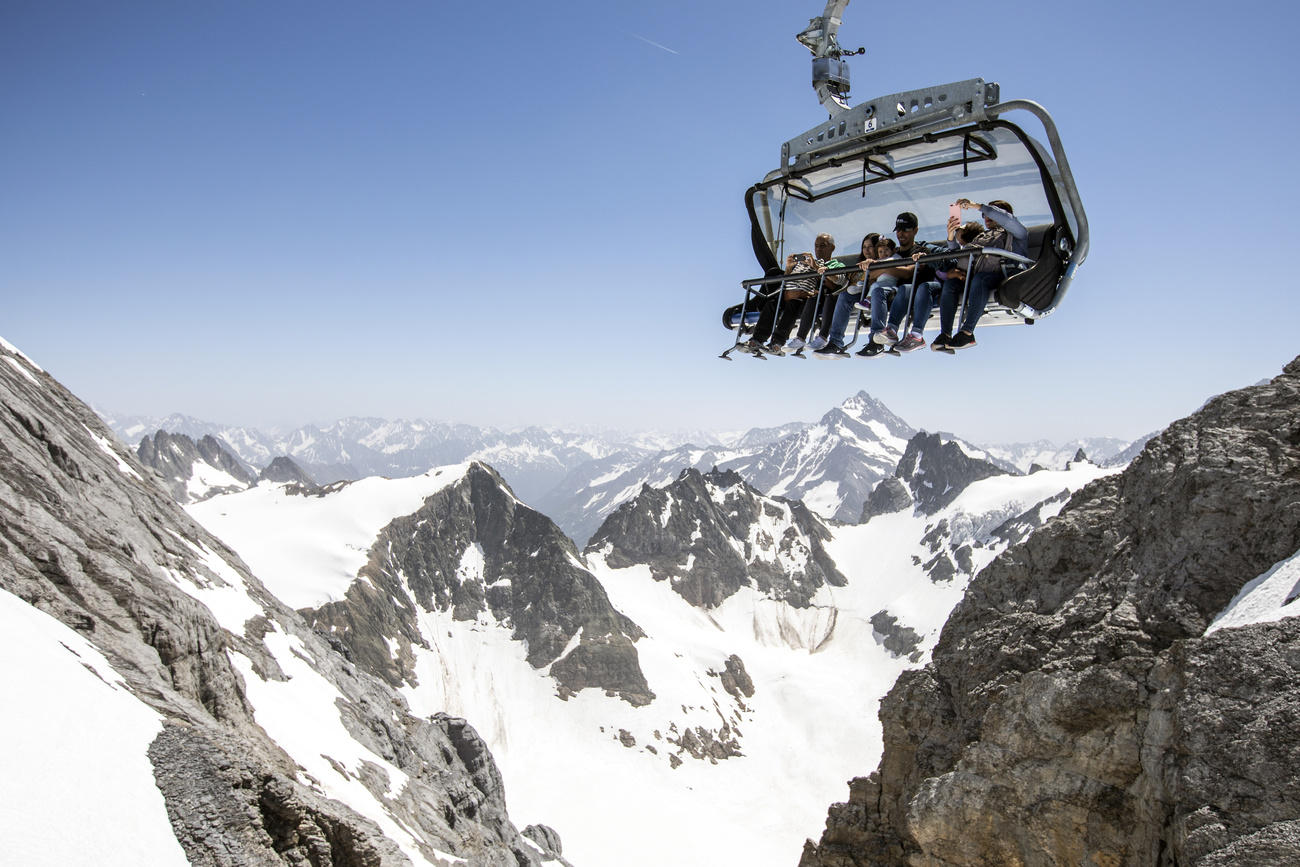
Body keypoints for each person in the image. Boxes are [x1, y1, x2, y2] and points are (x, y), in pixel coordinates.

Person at [818, 212, 944, 358]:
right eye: (898, 230)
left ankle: (876, 342)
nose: (901, 234)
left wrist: (883, 267)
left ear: (915, 230)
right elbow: (871, 275)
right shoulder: (891, 252)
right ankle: (835, 343)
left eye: (906, 230)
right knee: (846, 295)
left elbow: (908, 273)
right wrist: (878, 266)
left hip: (908, 291)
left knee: (879, 291)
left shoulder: (920, 251)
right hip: (888, 289)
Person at [931, 198, 1028, 350]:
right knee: (951, 285)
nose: (987, 216)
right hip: (975, 276)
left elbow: (1006, 220)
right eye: (984, 215)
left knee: (980, 279)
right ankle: (945, 334)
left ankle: (967, 332)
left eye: (992, 212)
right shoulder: (982, 237)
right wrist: (951, 236)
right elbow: (958, 255)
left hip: (1004, 276)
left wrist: (977, 206)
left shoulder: (1017, 233)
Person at [741, 234, 845, 354]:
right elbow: (787, 281)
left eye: (822, 246)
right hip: (790, 294)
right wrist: (789, 268)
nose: (818, 249)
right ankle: (757, 339)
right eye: (816, 246)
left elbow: (834, 287)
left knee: (793, 305)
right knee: (772, 303)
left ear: (832, 248)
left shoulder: (836, 265)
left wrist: (816, 268)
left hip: (810, 299)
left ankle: (777, 342)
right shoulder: (807, 263)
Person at [896, 219, 983, 352]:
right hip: (949, 283)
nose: (958, 228)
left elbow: (952, 258)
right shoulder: (959, 251)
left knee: (944, 285)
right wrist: (950, 235)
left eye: (962, 228)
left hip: (970, 281)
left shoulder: (972, 249)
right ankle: (945, 335)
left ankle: (964, 332)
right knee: (945, 285)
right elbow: (953, 254)